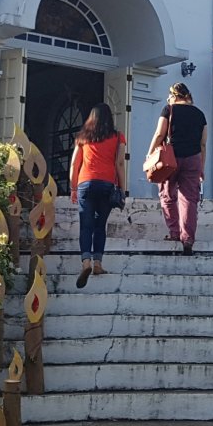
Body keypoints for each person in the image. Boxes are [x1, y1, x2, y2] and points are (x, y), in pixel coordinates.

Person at [69, 103, 126, 288]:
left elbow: (74, 164)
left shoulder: (83, 137)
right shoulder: (118, 137)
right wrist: (122, 190)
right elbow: (119, 164)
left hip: (85, 183)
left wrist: (73, 188)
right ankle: (98, 264)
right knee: (100, 225)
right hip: (106, 185)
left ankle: (85, 262)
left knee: (86, 226)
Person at [147, 82, 207, 255]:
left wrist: (150, 154)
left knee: (167, 194)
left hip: (170, 158)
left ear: (173, 95)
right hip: (193, 159)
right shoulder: (200, 114)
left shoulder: (168, 109)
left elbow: (159, 134)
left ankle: (174, 232)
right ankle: (187, 239)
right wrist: (201, 167)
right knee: (189, 199)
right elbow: (203, 144)